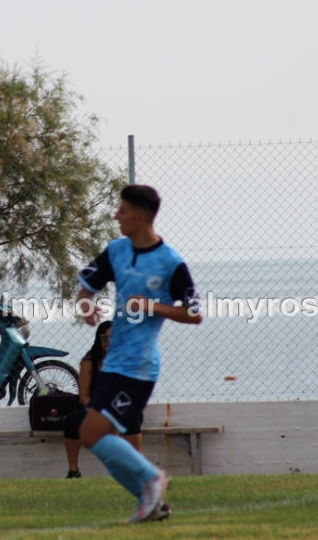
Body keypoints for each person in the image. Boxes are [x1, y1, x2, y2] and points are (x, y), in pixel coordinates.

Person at [76, 185, 202, 524]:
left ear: (140, 218)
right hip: (113, 364)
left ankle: (151, 478)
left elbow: (194, 314)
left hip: (137, 367)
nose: (116, 215)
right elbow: (86, 288)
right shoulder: (116, 250)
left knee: (90, 435)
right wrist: (86, 306)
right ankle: (150, 501)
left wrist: (151, 305)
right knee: (98, 439)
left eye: (123, 210)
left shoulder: (170, 262)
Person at [64, 321, 141, 478]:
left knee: (132, 418)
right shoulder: (89, 362)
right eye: (104, 337)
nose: (108, 341)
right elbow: (84, 395)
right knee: (72, 420)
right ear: (99, 339)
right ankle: (73, 471)